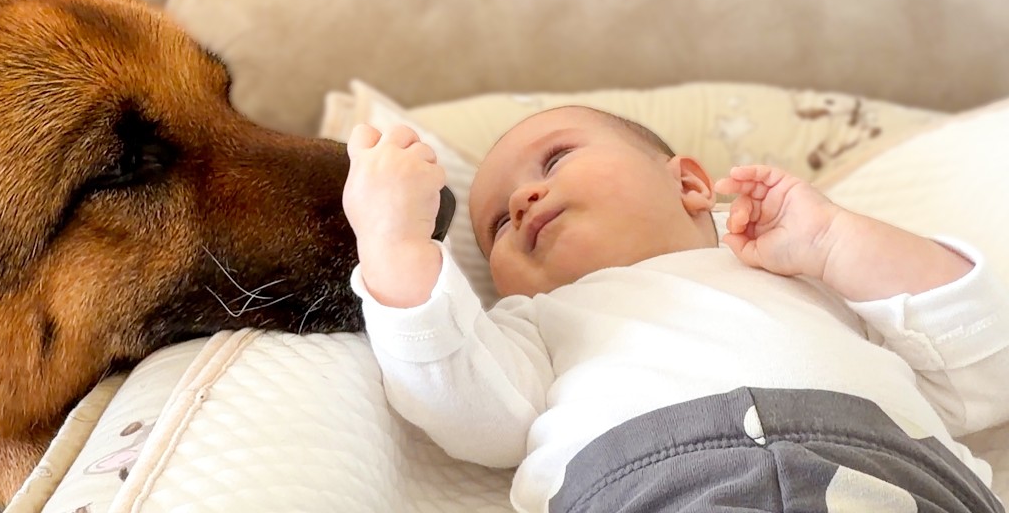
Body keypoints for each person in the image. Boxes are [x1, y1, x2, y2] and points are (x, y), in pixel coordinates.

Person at [341, 105, 1009, 513]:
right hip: (650, 486)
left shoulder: (805, 269)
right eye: (495, 228)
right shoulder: (534, 326)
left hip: (890, 470)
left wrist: (836, 241)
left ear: (688, 183)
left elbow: (983, 370)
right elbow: (464, 405)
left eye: (556, 158)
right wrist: (395, 243)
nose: (521, 202)